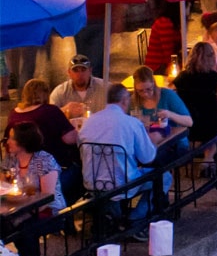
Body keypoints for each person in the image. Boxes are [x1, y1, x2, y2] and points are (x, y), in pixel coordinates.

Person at [78, 84, 170, 225]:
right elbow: (148, 157)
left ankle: (115, 215)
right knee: (165, 176)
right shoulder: (131, 123)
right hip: (123, 184)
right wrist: (154, 140)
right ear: (125, 100)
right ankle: (137, 219)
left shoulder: (88, 122)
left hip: (92, 184)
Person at [2, 123, 66, 256]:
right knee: (5, 224)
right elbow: (4, 184)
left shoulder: (44, 160)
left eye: (11, 138)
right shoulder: (12, 159)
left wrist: (20, 208)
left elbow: (47, 197)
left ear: (23, 142)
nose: (7, 142)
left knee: (23, 226)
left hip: (49, 210)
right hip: (19, 207)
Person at [7, 79, 80, 195]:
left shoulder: (14, 114)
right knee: (81, 170)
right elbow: (70, 138)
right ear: (46, 94)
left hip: (20, 167)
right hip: (56, 166)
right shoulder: (50, 111)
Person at [172, 42, 217, 145]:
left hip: (187, 123)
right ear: (211, 57)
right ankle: (209, 157)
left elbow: (175, 95)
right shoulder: (213, 77)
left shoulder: (181, 76)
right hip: (209, 125)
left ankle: (200, 154)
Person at [128, 66, 194, 140]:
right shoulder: (133, 101)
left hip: (173, 142)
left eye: (148, 89)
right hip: (147, 142)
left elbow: (189, 122)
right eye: (140, 91)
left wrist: (170, 114)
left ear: (153, 84)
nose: (145, 94)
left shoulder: (167, 95)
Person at [50, 54, 109, 121]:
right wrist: (64, 110)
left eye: (83, 70)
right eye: (75, 70)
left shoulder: (106, 88)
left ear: (90, 71)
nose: (79, 74)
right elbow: (49, 117)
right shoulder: (60, 92)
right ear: (69, 72)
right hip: (71, 131)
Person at [143, 0, 184, 74]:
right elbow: (168, 53)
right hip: (157, 67)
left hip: (163, 64)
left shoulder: (171, 22)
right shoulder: (164, 23)